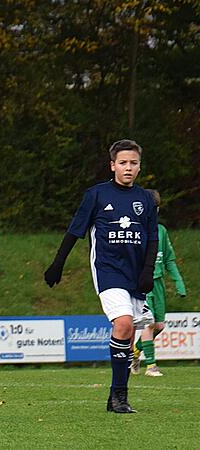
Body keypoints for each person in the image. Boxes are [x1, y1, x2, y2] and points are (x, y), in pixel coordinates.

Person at [44, 139, 158, 414]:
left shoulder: (145, 199)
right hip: (108, 271)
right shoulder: (96, 195)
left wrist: (147, 272)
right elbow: (74, 231)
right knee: (123, 323)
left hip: (134, 274)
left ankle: (114, 396)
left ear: (139, 167)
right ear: (112, 165)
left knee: (128, 331)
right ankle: (120, 395)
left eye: (133, 163)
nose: (128, 168)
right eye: (123, 163)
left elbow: (152, 239)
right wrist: (58, 263)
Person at [130, 189, 186, 377]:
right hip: (142, 285)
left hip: (159, 284)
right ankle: (151, 366)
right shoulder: (135, 229)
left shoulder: (161, 231)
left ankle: (136, 352)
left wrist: (178, 281)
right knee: (149, 323)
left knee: (159, 326)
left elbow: (169, 259)